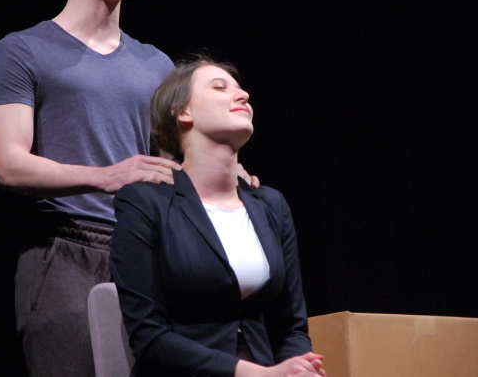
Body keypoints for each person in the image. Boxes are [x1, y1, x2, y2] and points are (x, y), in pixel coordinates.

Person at [0, 0, 180, 377]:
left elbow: (169, 170)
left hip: (145, 255)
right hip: (64, 252)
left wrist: (223, 179)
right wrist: (107, 176)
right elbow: (9, 163)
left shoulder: (156, 64)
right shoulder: (24, 50)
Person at [110, 55, 327, 377]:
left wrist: (297, 368)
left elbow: (291, 328)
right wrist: (258, 374)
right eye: (219, 87)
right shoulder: (145, 202)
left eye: (240, 89)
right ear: (183, 112)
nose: (243, 95)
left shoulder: (271, 205)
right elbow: (150, 337)